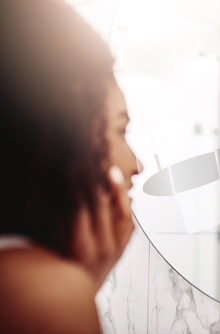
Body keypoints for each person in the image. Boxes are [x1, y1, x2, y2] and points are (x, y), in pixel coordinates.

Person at [0, 1, 141, 333]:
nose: (136, 164)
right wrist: (75, 290)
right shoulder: (43, 294)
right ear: (64, 137)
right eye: (120, 130)